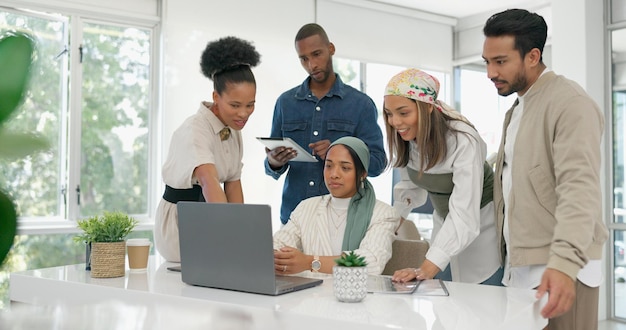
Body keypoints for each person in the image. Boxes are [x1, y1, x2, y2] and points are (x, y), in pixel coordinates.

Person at [482, 9, 608, 330]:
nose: (490, 72)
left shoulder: (570, 103)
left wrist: (565, 264)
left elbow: (579, 191)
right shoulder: (518, 109)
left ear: (533, 56)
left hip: (563, 268)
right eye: (487, 62)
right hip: (524, 267)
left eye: (500, 61)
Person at [385, 69, 502, 286]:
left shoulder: (462, 140)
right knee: (445, 301)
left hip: (482, 226)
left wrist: (424, 269)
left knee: (481, 300)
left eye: (403, 112)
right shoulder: (406, 140)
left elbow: (464, 214)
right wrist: (385, 230)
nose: (395, 122)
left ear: (428, 107)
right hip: (444, 222)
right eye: (389, 114)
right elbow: (409, 191)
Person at [265, 23, 386, 224]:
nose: (311, 65)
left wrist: (340, 152)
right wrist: (274, 162)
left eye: (316, 54)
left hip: (342, 220)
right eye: (304, 59)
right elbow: (271, 166)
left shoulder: (361, 105)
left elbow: (378, 163)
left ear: (331, 49)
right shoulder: (285, 103)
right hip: (294, 218)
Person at [154, 36, 261, 262]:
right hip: (180, 221)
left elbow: (233, 183)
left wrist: (241, 231)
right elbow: (208, 181)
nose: (243, 114)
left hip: (209, 212)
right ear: (215, 97)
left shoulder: (233, 129)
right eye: (235, 105)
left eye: (250, 105)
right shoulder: (196, 129)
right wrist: (228, 234)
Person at [273, 137, 399, 275]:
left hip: (357, 295)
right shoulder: (306, 207)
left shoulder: (383, 213)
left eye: (345, 168)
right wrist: (279, 256)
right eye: (329, 166)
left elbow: (370, 263)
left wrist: (309, 262)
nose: (334, 175)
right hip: (309, 294)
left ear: (362, 174)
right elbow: (278, 244)